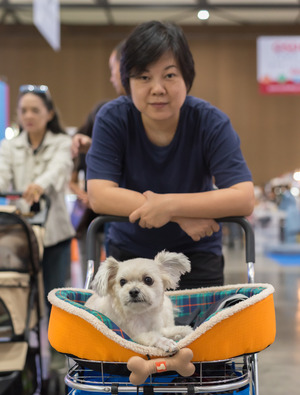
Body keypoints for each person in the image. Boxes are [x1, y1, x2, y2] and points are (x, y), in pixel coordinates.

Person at [86, 21, 255, 289]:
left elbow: (244, 196)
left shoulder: (210, 121)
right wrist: (177, 215)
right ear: (127, 82)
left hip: (196, 255)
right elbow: (99, 194)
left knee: (198, 331)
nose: (157, 88)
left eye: (169, 75)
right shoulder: (112, 118)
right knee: (130, 332)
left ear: (187, 78)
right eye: (143, 77)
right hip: (130, 256)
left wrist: (170, 206)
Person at [0, 84, 75, 305]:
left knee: (56, 298)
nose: (28, 116)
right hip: (22, 234)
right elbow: (2, 176)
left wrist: (38, 186)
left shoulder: (62, 142)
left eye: (35, 110)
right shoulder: (9, 146)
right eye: (23, 111)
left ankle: (55, 341)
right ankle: (23, 340)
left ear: (49, 113)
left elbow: (58, 170)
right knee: (19, 294)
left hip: (56, 235)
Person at [69, 42, 126, 279]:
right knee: (90, 270)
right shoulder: (81, 145)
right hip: (89, 213)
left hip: (115, 215)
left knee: (116, 270)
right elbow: (72, 179)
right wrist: (85, 195)